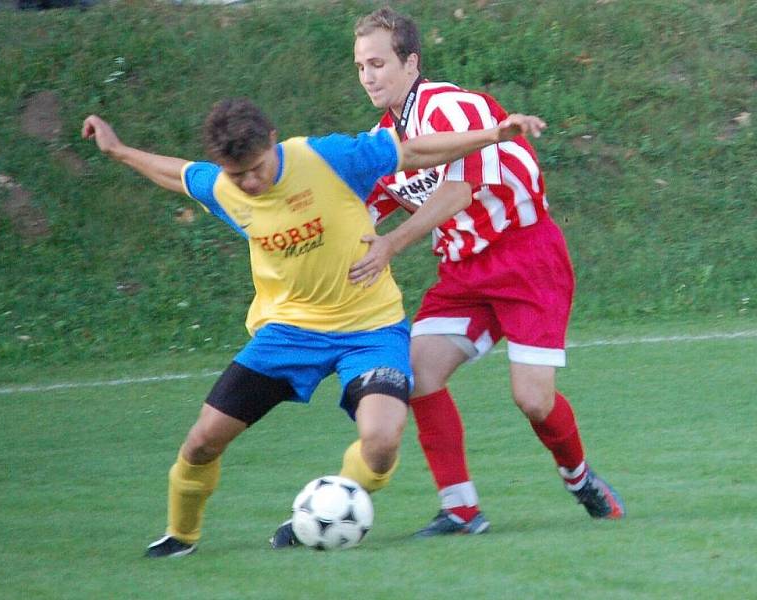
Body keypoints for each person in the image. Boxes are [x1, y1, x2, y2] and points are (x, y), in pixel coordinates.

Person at [82, 98, 546, 557]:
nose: (249, 182)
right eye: (235, 173)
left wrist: (491, 135)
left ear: (272, 140)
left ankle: (322, 510)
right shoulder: (224, 187)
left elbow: (414, 151)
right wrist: (118, 150)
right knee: (203, 441)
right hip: (288, 333)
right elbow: (178, 174)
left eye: (256, 169)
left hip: (371, 328)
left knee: (382, 445)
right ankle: (181, 535)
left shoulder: (327, 157)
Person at [347, 7, 625, 537]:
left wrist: (391, 245)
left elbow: (459, 191)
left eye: (379, 63)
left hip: (526, 258)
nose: (369, 76)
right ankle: (461, 509)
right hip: (464, 273)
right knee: (415, 371)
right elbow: (362, 210)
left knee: (533, 400)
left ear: (411, 63)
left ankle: (579, 476)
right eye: (361, 66)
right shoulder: (384, 140)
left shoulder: (448, 108)